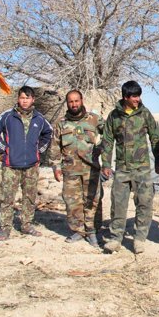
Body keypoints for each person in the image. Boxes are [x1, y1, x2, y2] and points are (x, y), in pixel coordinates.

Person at [100, 81, 159, 254]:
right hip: (122, 169)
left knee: (144, 203)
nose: (138, 99)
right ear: (125, 97)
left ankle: (140, 238)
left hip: (142, 168)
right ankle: (116, 238)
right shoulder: (114, 116)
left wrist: (158, 160)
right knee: (118, 204)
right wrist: (106, 163)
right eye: (134, 96)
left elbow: (155, 137)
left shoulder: (145, 114)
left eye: (139, 95)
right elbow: (107, 140)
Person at [0, 85, 53, 241]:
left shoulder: (39, 118)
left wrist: (39, 151)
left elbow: (49, 133)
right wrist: (4, 150)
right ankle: (5, 229)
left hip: (31, 165)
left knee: (29, 197)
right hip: (11, 165)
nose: (25, 101)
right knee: (7, 197)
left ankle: (26, 225)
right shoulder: (8, 116)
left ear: (33, 99)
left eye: (27, 98)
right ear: (18, 99)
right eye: (22, 98)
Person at [49, 90, 105, 246]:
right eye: (71, 102)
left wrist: (102, 151)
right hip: (70, 170)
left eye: (76, 101)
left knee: (92, 200)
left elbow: (109, 134)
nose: (74, 104)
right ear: (67, 103)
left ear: (82, 101)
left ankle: (92, 231)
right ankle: (78, 231)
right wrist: (55, 166)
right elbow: (55, 145)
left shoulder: (94, 120)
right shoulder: (61, 123)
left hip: (91, 169)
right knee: (72, 201)